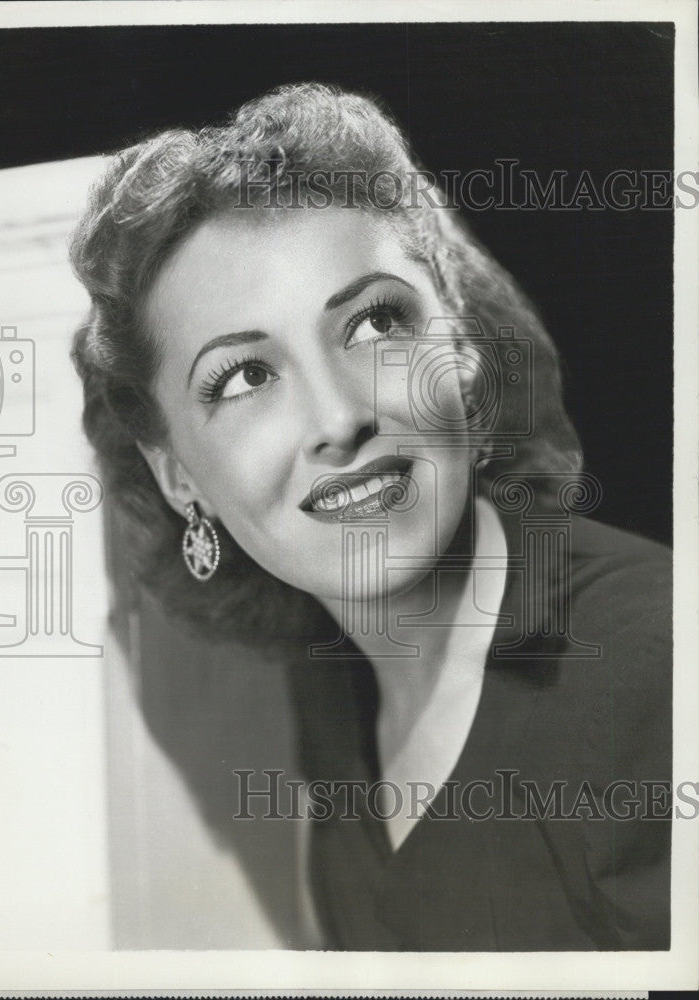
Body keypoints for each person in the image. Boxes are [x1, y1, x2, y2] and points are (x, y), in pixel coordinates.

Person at [70, 82, 672, 950]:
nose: (339, 417)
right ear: (177, 480)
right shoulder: (331, 686)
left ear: (460, 344)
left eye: (374, 323)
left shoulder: (650, 681)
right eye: (243, 378)